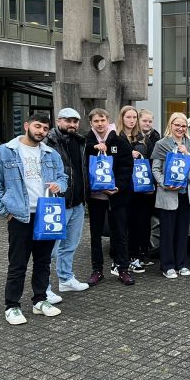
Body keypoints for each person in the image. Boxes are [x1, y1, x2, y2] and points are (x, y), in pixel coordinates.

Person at [0, 112, 68, 325]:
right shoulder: (4, 152)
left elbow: (62, 177)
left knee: (43, 261)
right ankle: (12, 306)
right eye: (38, 126)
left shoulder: (51, 154)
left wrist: (61, 185)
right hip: (20, 216)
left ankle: (40, 300)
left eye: (45, 129)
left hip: (46, 214)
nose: (41, 131)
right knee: (18, 263)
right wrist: (6, 211)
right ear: (26, 125)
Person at [43, 107, 90, 302]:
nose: (72, 125)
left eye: (75, 121)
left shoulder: (80, 141)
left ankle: (66, 279)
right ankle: (43, 287)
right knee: (49, 250)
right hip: (56, 203)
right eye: (67, 121)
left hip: (77, 202)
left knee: (70, 245)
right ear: (58, 121)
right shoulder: (48, 142)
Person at [85, 108, 135, 286]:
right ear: (91, 123)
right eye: (96, 121)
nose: (100, 124)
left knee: (120, 234)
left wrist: (119, 187)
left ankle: (123, 269)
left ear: (108, 121)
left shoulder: (119, 141)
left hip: (117, 197)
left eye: (102, 120)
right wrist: (92, 148)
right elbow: (83, 167)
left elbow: (127, 167)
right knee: (95, 235)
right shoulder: (86, 142)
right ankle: (97, 270)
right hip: (95, 198)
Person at [151, 112, 190, 279]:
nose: (180, 128)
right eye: (177, 125)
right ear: (170, 126)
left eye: (183, 126)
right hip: (168, 193)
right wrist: (163, 183)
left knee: (182, 231)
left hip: (186, 194)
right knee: (167, 231)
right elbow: (155, 169)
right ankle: (167, 266)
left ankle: (182, 264)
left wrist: (187, 153)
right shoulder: (161, 144)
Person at [117, 105, 148, 275]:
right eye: (128, 117)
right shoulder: (115, 137)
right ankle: (121, 260)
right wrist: (130, 153)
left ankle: (134, 257)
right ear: (122, 118)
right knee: (122, 226)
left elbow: (148, 159)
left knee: (137, 225)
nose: (131, 120)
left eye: (134, 117)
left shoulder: (142, 138)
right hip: (123, 188)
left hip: (140, 189)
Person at [137, 108, 161, 266]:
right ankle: (137, 254)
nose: (147, 124)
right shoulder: (134, 137)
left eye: (150, 121)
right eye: (144, 121)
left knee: (147, 221)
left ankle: (144, 254)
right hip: (138, 184)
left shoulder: (156, 136)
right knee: (139, 220)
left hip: (152, 184)